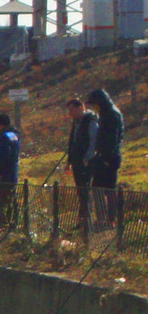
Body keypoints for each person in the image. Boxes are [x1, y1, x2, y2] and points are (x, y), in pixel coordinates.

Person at [86, 88, 124, 227]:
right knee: (97, 188)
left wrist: (106, 157)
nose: (94, 107)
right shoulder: (106, 114)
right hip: (102, 156)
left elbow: (113, 139)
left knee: (109, 190)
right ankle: (102, 219)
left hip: (109, 157)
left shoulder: (112, 115)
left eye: (94, 104)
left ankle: (110, 220)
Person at [65, 97, 99, 228]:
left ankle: (87, 220)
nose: (70, 113)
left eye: (72, 110)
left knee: (85, 190)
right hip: (76, 162)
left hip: (86, 162)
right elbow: (72, 142)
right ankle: (83, 219)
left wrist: (87, 158)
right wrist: (69, 161)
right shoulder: (76, 122)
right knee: (80, 190)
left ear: (80, 107)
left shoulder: (90, 121)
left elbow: (93, 141)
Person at [0, 112, 21, 227]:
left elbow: (0, 158)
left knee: (2, 203)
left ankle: (3, 227)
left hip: (3, 176)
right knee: (11, 201)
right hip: (11, 175)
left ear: (0, 124)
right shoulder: (14, 135)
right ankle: (13, 223)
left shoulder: (3, 138)